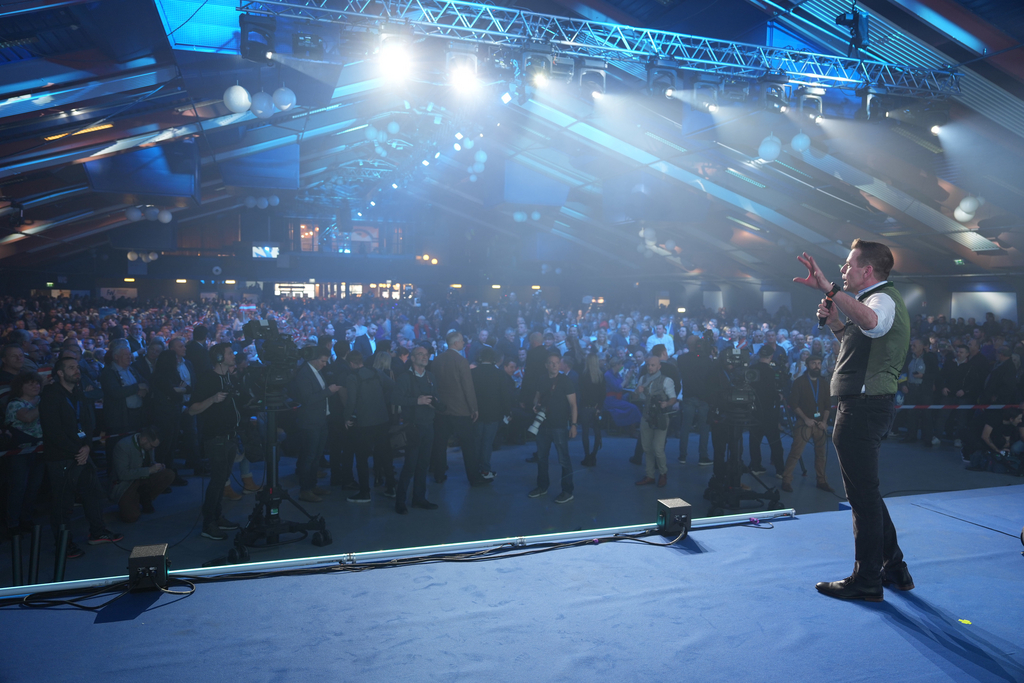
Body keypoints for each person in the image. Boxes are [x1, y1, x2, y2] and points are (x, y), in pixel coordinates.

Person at [795, 239, 912, 602]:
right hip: (863, 405)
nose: (843, 270)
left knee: (862, 498)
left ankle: (867, 580)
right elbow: (860, 341)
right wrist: (835, 323)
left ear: (868, 270)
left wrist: (831, 289)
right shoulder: (869, 300)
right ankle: (895, 569)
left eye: (848, 264)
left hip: (863, 408)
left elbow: (873, 324)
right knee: (866, 493)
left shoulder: (882, 299)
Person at [39, 357, 123, 558]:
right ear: (60, 373)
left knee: (93, 493)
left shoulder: (77, 393)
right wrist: (79, 450)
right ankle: (63, 545)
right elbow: (53, 432)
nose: (77, 370)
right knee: (63, 503)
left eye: (77, 367)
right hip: (61, 458)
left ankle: (98, 532)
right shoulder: (51, 396)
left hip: (81, 453)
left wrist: (86, 446)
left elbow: (85, 423)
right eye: (71, 368)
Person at [188, 343, 243, 540]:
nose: (234, 355)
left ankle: (217, 516)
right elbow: (192, 409)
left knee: (222, 480)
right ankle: (208, 523)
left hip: (230, 436)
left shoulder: (228, 377)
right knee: (217, 480)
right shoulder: (208, 379)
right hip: (216, 438)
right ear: (219, 357)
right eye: (230, 353)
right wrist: (212, 399)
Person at [429, 331, 486, 486]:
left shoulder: (437, 360)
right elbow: (468, 387)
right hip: (460, 409)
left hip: (441, 409)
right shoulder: (461, 361)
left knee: (440, 444)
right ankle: (473, 477)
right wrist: (474, 407)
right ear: (456, 343)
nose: (463, 343)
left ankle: (439, 474)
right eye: (461, 341)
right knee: (468, 445)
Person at [289, 346, 342, 503]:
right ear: (313, 359)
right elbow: (307, 399)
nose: (325, 365)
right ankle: (305, 490)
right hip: (310, 421)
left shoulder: (314, 371)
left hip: (320, 419)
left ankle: (312, 486)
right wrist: (329, 391)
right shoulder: (304, 374)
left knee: (316, 456)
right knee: (309, 456)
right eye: (323, 361)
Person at [392, 345, 441, 514]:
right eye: (420, 354)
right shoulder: (405, 378)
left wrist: (436, 403)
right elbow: (395, 398)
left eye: (426, 354)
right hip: (413, 427)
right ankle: (400, 501)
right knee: (410, 465)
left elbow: (436, 397)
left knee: (423, 465)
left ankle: (419, 498)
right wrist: (416, 401)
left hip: (429, 425)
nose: (424, 356)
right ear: (412, 358)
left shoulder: (431, 377)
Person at [527, 350, 577, 504]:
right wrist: (536, 405)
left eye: (556, 363)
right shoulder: (542, 379)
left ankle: (567, 491)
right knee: (542, 458)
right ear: (546, 365)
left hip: (559, 425)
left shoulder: (565, 381)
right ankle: (542, 486)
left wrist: (574, 425)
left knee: (564, 459)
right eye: (551, 363)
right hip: (543, 425)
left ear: (560, 364)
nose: (554, 365)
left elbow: (573, 404)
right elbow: (537, 397)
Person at [344, 350, 395, 502]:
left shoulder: (352, 377)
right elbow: (392, 385)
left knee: (361, 458)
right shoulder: (376, 372)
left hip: (364, 422)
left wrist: (346, 418)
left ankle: (364, 493)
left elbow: (351, 401)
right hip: (382, 419)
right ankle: (391, 488)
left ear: (351, 363)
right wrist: (382, 400)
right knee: (385, 455)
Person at [780, 354, 833, 493]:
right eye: (814, 363)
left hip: (820, 424)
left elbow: (828, 405)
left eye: (819, 363)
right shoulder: (799, 382)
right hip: (804, 423)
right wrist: (805, 419)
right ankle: (786, 480)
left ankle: (821, 481)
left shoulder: (824, 383)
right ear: (808, 365)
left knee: (821, 454)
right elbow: (793, 403)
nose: (817, 366)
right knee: (795, 452)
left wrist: (825, 422)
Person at [4, 371, 45, 535]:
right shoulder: (14, 404)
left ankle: (26, 518)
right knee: (18, 487)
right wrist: (44, 402)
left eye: (37, 383)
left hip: (40, 449)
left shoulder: (41, 400)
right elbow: (27, 417)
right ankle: (12, 523)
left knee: (34, 487)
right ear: (20, 386)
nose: (35, 386)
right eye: (30, 383)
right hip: (20, 452)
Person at [110, 428, 176, 523]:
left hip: (143, 477)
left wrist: (157, 466)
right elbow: (122, 474)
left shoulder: (147, 445)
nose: (153, 449)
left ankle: (144, 498)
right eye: (152, 446)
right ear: (144, 439)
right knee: (131, 517)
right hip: (127, 483)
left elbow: (150, 461)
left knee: (169, 474)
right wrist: (149, 470)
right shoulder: (123, 446)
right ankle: (133, 500)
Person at [633, 355, 677, 488]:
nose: (650, 367)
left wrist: (666, 403)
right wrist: (637, 391)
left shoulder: (666, 381)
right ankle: (650, 475)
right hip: (646, 416)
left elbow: (673, 398)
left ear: (659, 366)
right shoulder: (643, 379)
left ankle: (663, 473)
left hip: (660, 417)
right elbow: (636, 397)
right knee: (647, 448)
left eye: (652, 365)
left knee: (658, 448)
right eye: (648, 365)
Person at [150, 349, 191, 487]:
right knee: (164, 446)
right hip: (163, 415)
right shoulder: (159, 376)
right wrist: (178, 390)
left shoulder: (173, 374)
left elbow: (187, 388)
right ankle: (161, 477)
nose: (177, 360)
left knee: (172, 445)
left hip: (173, 413)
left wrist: (177, 390)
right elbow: (172, 391)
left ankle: (169, 474)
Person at [471, 347, 510, 480]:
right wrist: (507, 411)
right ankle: (485, 470)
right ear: (493, 358)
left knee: (476, 442)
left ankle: (474, 469)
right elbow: (504, 395)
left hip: (476, 413)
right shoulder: (499, 374)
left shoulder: (473, 373)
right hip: (493, 413)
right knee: (487, 443)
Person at [747, 345, 785, 477]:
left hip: (754, 411)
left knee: (754, 441)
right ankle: (780, 470)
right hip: (769, 412)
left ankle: (755, 465)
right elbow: (770, 392)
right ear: (771, 356)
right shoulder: (771, 372)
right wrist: (778, 397)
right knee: (774, 441)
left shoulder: (751, 369)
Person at [577, 353, 605, 466]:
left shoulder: (583, 375)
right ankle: (594, 455)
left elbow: (581, 393)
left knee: (585, 433)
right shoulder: (601, 375)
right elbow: (603, 394)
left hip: (585, 407)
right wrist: (599, 406)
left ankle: (587, 456)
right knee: (597, 432)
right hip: (596, 407)